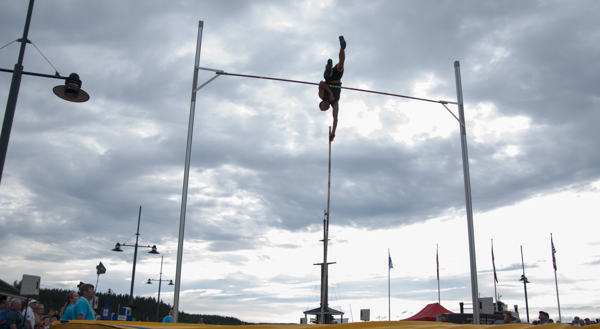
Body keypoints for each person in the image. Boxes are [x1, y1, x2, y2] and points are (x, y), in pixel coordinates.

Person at [318, 36, 346, 142]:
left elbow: (321, 83)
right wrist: (333, 133)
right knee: (341, 65)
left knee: (327, 75)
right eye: (325, 110)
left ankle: (328, 68)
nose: (325, 109)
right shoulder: (335, 103)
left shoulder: (321, 95)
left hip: (329, 79)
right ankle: (342, 47)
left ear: (322, 103)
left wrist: (329, 93)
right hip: (337, 79)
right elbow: (335, 119)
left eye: (323, 108)